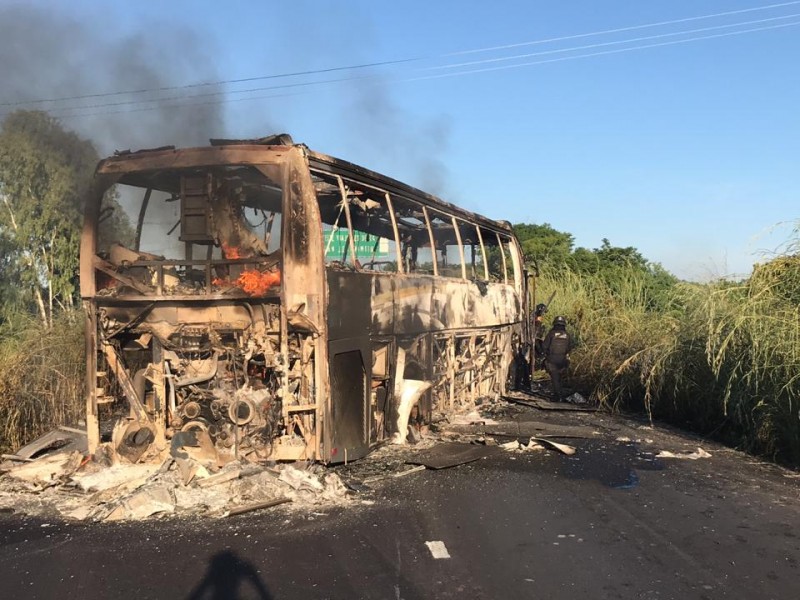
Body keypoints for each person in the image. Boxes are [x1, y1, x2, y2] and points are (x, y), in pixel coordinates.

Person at [542, 315, 571, 401]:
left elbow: (544, 346)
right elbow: (569, 348)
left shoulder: (551, 334)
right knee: (560, 378)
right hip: (563, 360)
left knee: (555, 378)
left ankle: (558, 396)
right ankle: (560, 394)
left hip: (552, 359)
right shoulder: (567, 335)